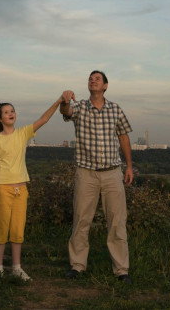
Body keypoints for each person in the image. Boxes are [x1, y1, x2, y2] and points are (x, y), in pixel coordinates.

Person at [60, 70, 134, 284]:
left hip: (112, 173)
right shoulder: (81, 107)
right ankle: (77, 265)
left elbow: (123, 136)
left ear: (105, 86)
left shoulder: (115, 109)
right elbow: (66, 112)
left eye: (97, 79)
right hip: (86, 174)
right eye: (90, 78)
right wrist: (64, 101)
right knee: (81, 220)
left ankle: (121, 270)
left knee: (117, 222)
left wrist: (129, 166)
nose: (92, 80)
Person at [0, 96, 64, 280]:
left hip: (21, 189)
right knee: (1, 227)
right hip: (3, 188)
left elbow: (43, 119)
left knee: (18, 229)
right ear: (0, 119)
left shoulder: (23, 133)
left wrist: (59, 101)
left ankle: (17, 268)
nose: (10, 114)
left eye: (12, 111)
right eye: (6, 112)